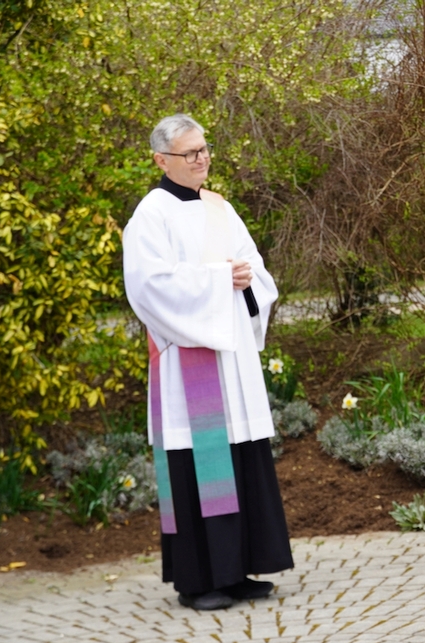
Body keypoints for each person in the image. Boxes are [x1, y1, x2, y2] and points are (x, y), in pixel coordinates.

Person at [123, 114, 294, 611]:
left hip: (231, 359)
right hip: (187, 366)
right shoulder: (150, 216)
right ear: (162, 160)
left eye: (204, 149)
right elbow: (149, 287)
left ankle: (238, 571)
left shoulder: (220, 208)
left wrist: (244, 278)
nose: (202, 159)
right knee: (198, 463)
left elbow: (254, 268)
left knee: (240, 455)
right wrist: (220, 279)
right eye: (191, 152)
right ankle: (199, 581)